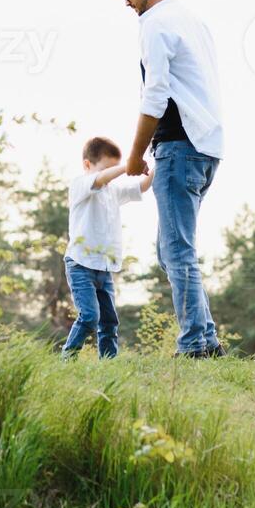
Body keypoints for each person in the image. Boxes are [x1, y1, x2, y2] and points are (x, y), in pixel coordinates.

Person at [116, 0, 226, 358]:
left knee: (176, 250)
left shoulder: (156, 24)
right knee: (170, 249)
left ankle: (196, 343)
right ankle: (207, 338)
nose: (126, 2)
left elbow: (156, 95)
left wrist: (134, 156)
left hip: (180, 146)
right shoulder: (191, 20)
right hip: (206, 145)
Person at [63, 136, 153, 358]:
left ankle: (108, 363)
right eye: (107, 169)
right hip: (80, 264)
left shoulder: (112, 191)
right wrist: (126, 166)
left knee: (109, 321)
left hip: (104, 267)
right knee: (89, 316)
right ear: (87, 165)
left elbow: (141, 186)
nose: (112, 175)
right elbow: (101, 179)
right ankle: (68, 356)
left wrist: (154, 163)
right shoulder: (80, 184)